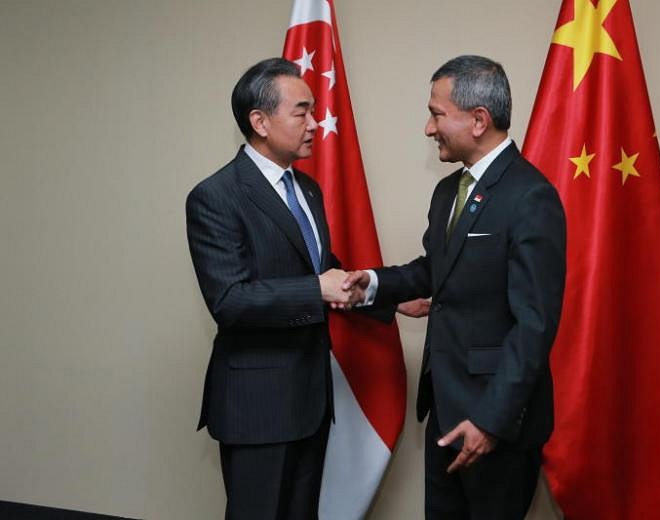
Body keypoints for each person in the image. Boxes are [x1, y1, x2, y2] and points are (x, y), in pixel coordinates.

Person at [345, 55, 566, 518]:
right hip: (444, 409)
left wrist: (491, 421)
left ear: (479, 120)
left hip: (494, 421)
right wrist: (373, 284)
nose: (429, 128)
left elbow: (534, 326)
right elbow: (435, 271)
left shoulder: (531, 196)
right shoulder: (448, 191)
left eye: (437, 114)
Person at [185, 57, 368, 519]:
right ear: (260, 122)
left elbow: (324, 269)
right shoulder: (216, 197)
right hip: (257, 408)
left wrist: (385, 296)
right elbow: (230, 300)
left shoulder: (307, 190)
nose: (314, 123)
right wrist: (316, 289)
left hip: (310, 399)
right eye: (302, 112)